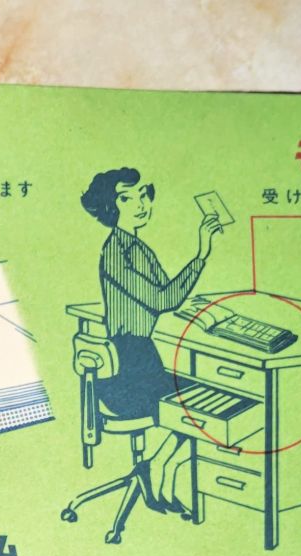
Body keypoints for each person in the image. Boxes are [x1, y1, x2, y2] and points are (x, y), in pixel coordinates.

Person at [78, 167, 222, 517]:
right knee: (201, 404)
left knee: (199, 398)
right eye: (127, 198)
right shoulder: (116, 252)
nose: (141, 204)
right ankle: (159, 467)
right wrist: (201, 254)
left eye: (144, 195)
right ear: (111, 207)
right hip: (127, 374)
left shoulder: (139, 248)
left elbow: (168, 295)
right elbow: (162, 300)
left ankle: (159, 468)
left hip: (141, 358)